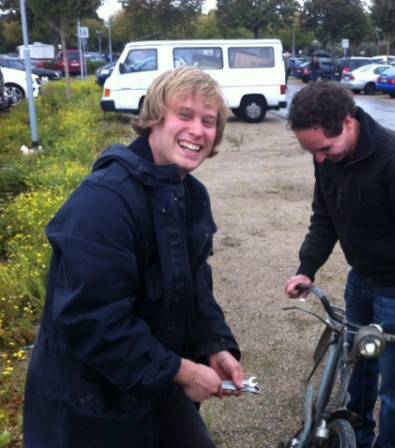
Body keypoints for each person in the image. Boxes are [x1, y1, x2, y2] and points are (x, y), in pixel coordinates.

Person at [24, 66, 246, 448]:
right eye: (185, 115)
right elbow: (91, 319)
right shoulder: (105, 200)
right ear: (154, 120)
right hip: (90, 403)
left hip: (154, 384)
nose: (198, 131)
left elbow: (194, 285)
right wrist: (179, 371)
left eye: (209, 122)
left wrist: (213, 343)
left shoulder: (190, 195)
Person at [284, 82, 395, 448]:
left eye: (325, 149)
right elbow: (324, 218)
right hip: (360, 280)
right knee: (357, 370)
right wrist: (306, 267)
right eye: (311, 152)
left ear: (347, 122)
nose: (319, 159)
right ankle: (356, 438)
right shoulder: (328, 159)